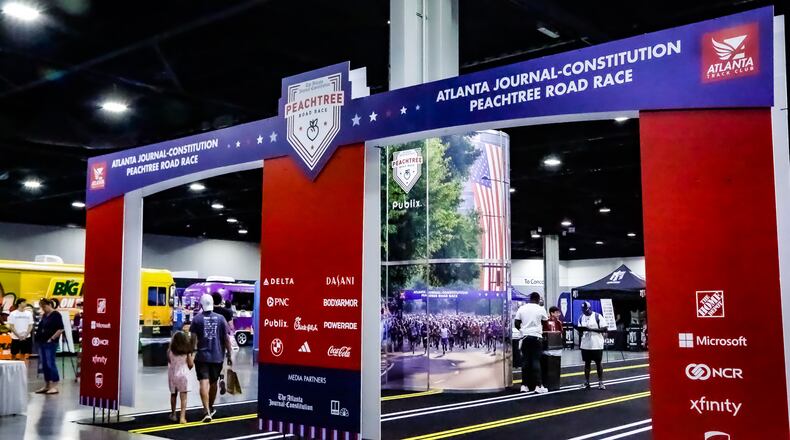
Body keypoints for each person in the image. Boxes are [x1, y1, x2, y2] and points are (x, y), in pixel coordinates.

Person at [191, 294, 233, 422]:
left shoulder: (196, 319)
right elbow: (226, 339)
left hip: (202, 357)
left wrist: (191, 353)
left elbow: (193, 340)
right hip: (217, 356)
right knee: (213, 382)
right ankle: (210, 406)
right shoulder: (221, 319)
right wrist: (229, 354)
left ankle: (206, 411)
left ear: (201, 305)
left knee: (203, 382)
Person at [514, 292, 549, 394]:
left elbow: (516, 323)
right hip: (536, 337)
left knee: (525, 362)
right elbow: (545, 323)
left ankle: (524, 385)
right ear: (538, 299)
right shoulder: (541, 309)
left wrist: (523, 330)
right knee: (535, 361)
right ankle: (538, 386)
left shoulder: (522, 308)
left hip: (525, 337)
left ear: (530, 298)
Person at [34, 298, 65, 394]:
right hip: (42, 341)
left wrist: (52, 338)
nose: (43, 309)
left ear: (49, 305)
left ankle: (54, 386)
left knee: (50, 363)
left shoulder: (56, 315)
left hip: (50, 343)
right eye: (42, 307)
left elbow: (60, 329)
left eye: (44, 306)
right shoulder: (44, 315)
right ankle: (47, 385)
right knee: (44, 364)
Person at [577, 301, 607, 390]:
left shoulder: (597, 316)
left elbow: (604, 329)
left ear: (590, 308)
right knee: (587, 363)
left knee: (598, 363)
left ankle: (600, 382)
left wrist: (591, 329)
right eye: (583, 310)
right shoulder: (581, 317)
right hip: (585, 344)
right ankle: (587, 382)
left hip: (596, 344)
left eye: (586, 310)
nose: (585, 312)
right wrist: (581, 331)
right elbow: (580, 331)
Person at [168, 331, 195, 424]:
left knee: (173, 395)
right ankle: (182, 418)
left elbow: (169, 361)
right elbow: (191, 364)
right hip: (183, 375)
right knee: (183, 398)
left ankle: (173, 414)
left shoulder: (170, 351)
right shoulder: (186, 352)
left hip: (173, 375)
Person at [8, 298, 34, 364]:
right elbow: (11, 326)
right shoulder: (13, 314)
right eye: (24, 302)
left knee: (23, 353)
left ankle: (22, 366)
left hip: (26, 337)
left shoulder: (29, 313)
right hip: (15, 337)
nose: (25, 303)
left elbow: (30, 325)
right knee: (13, 354)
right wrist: (18, 335)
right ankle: (12, 366)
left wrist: (25, 335)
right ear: (19, 304)